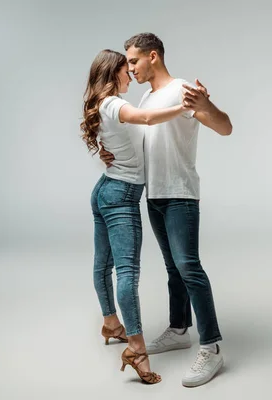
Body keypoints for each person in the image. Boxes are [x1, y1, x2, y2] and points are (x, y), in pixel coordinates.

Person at [99, 32, 232, 387]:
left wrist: (205, 105)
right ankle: (178, 329)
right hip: (153, 194)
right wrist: (106, 151)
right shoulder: (147, 96)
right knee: (173, 267)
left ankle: (212, 346)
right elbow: (141, 136)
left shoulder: (183, 90)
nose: (129, 69)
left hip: (180, 194)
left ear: (152, 56)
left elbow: (225, 126)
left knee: (189, 266)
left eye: (133, 61)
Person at [80, 49, 188, 385]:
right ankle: (137, 350)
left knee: (103, 265)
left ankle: (112, 323)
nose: (131, 73)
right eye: (125, 69)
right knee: (127, 272)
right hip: (122, 196)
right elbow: (145, 120)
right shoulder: (113, 103)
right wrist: (184, 107)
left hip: (105, 190)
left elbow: (115, 146)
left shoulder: (101, 106)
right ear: (113, 74)